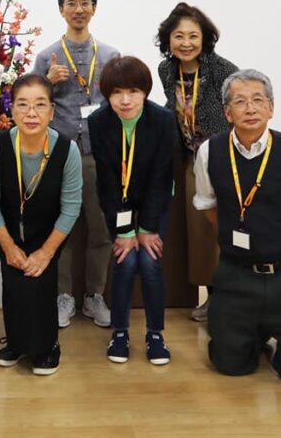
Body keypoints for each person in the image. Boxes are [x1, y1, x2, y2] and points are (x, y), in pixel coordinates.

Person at [194, 69, 281, 385]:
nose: (250, 108)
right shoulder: (209, 151)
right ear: (227, 112)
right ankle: (253, 334)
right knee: (230, 365)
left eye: (258, 100)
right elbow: (208, 206)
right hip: (237, 273)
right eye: (240, 102)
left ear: (271, 108)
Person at [0, 74, 82, 375]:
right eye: (22, 105)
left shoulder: (67, 150)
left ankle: (48, 345)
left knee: (41, 282)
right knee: (13, 282)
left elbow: (71, 207)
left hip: (50, 230)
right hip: (9, 229)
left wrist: (46, 252)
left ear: (52, 110)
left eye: (40, 105)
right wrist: (8, 246)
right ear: (11, 110)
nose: (31, 113)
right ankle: (16, 342)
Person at [31, 0, 119, 328]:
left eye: (84, 3)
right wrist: (47, 81)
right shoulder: (47, 56)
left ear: (94, 8)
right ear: (61, 9)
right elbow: (31, 103)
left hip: (100, 154)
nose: (78, 9)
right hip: (59, 153)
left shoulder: (110, 56)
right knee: (60, 228)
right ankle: (63, 296)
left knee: (101, 229)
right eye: (71, 3)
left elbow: (122, 101)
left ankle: (95, 295)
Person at [88, 57, 175, 365]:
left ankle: (155, 333)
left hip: (155, 196)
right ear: (107, 94)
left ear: (145, 92)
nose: (125, 100)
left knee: (150, 262)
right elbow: (108, 181)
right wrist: (124, 230)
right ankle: (120, 332)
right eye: (117, 93)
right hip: (118, 200)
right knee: (125, 261)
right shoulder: (98, 122)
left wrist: (147, 228)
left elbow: (161, 177)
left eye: (133, 91)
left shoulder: (163, 120)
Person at [156, 2, 238, 322]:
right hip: (192, 160)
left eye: (193, 36)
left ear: (205, 38)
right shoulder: (167, 70)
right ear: (168, 39)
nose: (186, 43)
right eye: (179, 36)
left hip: (224, 158)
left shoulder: (222, 69)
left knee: (228, 228)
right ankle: (212, 295)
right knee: (201, 230)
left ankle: (235, 295)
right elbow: (174, 107)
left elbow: (237, 112)